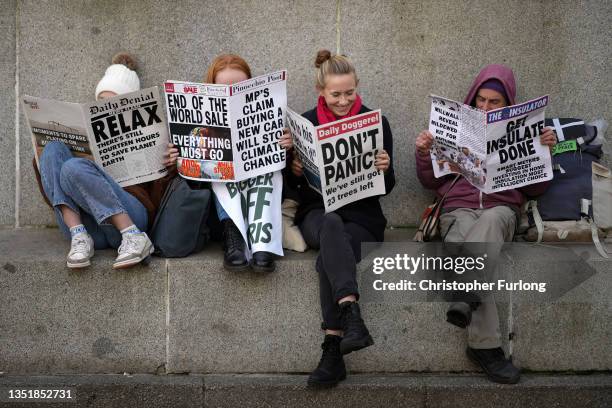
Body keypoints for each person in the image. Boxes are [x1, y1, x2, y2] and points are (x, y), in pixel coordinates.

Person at [415, 64, 556, 384]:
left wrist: (544, 151)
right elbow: (428, 180)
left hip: (500, 211)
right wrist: (424, 153)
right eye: (481, 100)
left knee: (489, 223)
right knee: (467, 242)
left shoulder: (527, 131)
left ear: (508, 105)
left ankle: (469, 303)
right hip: (458, 211)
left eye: (495, 102)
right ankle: (485, 347)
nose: (486, 107)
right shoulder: (455, 127)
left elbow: (536, 189)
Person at [286, 50, 395, 387]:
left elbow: (386, 188)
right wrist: (295, 170)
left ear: (357, 87)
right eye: (336, 94)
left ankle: (333, 347)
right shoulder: (304, 123)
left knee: (327, 262)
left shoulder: (375, 121)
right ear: (321, 91)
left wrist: (385, 170)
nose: (344, 100)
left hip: (363, 219)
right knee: (331, 223)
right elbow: (291, 189)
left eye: (349, 92)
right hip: (317, 215)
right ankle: (352, 316)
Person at [34, 53, 177, 269]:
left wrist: (169, 165)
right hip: (91, 227)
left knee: (73, 167)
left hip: (132, 218)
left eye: (114, 102)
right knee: (53, 149)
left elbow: (160, 201)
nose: (107, 105)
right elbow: (54, 194)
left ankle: (133, 237)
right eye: (102, 102)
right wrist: (42, 159)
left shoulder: (151, 131)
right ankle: (79, 236)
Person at [203, 54, 292, 272]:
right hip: (219, 218)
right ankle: (233, 236)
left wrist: (287, 150)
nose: (232, 95)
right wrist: (180, 158)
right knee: (218, 167)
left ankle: (263, 242)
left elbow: (288, 177)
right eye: (224, 89)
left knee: (267, 169)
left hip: (261, 205)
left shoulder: (268, 116)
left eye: (239, 87)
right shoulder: (199, 125)